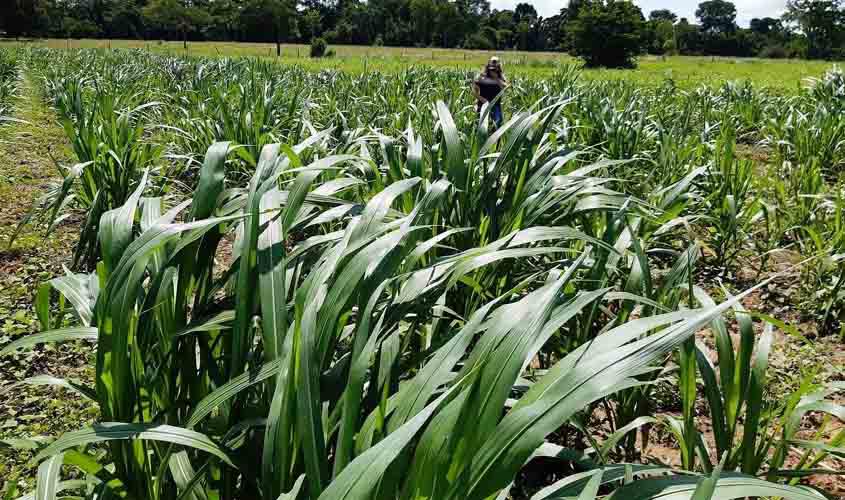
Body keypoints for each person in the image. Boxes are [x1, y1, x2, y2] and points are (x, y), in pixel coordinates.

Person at [472, 56, 508, 127]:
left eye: (495, 69)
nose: (493, 71)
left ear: (498, 67)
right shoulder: (482, 76)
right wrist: (481, 99)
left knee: (496, 127)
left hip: (496, 107)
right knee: (481, 126)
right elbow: (474, 91)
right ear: (488, 66)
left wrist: (496, 78)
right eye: (491, 69)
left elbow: (506, 87)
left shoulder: (501, 78)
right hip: (482, 106)